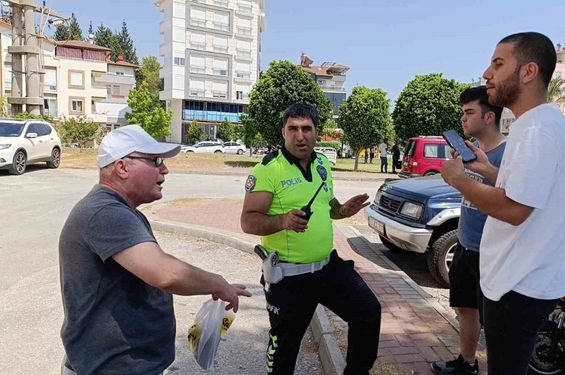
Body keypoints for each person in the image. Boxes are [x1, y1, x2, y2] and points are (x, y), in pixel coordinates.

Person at [59, 125, 251, 375]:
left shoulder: (120, 210)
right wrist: (217, 283)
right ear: (122, 167)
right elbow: (164, 273)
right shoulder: (105, 213)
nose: (164, 169)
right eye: (155, 160)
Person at [441, 32, 565, 375]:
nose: (487, 73)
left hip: (518, 283)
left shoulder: (538, 130)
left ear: (528, 72)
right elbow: (524, 194)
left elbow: (514, 209)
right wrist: (488, 171)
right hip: (520, 280)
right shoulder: (535, 125)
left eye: (498, 64)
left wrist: (458, 179)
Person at [241, 103, 381, 375]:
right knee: (284, 353)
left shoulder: (322, 165)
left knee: (368, 312)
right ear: (283, 132)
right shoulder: (268, 169)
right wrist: (283, 221)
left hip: (328, 268)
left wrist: (343, 211)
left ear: (317, 133)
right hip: (289, 278)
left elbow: (329, 206)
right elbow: (248, 221)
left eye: (307, 128)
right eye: (293, 129)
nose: (300, 135)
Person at [431, 86, 505, 375]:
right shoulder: (472, 150)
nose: (463, 118)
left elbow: (513, 196)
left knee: (495, 320)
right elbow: (470, 192)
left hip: (492, 252)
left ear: (489, 117)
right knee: (465, 309)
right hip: (465, 243)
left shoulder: (507, 153)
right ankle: (467, 362)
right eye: (462, 112)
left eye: (469, 112)